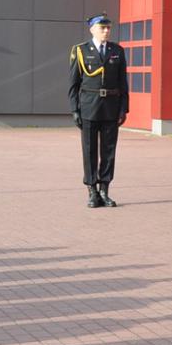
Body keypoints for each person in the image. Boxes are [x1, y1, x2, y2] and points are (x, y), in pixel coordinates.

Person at [69, 14, 130, 207]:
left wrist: (124, 109)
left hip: (111, 107)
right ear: (92, 29)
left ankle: (104, 190)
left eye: (108, 27)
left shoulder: (117, 51)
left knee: (108, 151)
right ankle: (92, 191)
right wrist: (75, 109)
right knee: (89, 150)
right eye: (102, 28)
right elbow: (74, 83)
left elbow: (123, 82)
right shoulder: (80, 50)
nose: (106, 31)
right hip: (89, 106)